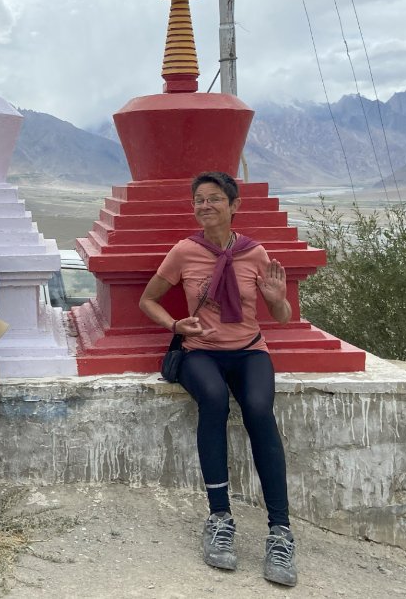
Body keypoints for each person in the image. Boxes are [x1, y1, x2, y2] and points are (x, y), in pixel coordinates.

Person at [139, 170, 298, 586]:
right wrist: (176, 325)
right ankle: (219, 518)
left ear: (234, 205)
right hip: (200, 352)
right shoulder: (183, 252)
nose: (204, 206)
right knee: (213, 401)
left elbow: (282, 317)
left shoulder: (255, 253)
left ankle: (280, 532)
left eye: (214, 199)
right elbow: (148, 300)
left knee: (260, 410)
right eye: (199, 200)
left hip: (249, 351)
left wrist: (277, 301)